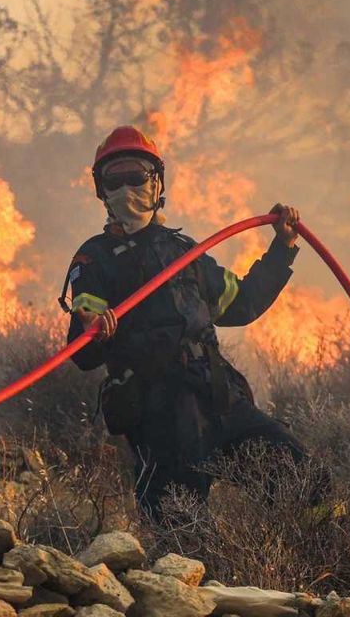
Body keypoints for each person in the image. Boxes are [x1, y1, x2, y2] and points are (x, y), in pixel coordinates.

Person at [59, 125, 326, 522]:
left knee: (301, 478)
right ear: (101, 190)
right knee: (183, 536)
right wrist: (92, 329)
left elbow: (244, 304)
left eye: (137, 176)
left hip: (219, 399)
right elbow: (83, 349)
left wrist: (282, 248)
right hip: (159, 417)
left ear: (157, 183)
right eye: (115, 179)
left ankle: (330, 563)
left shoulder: (186, 253)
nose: (127, 188)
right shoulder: (94, 260)